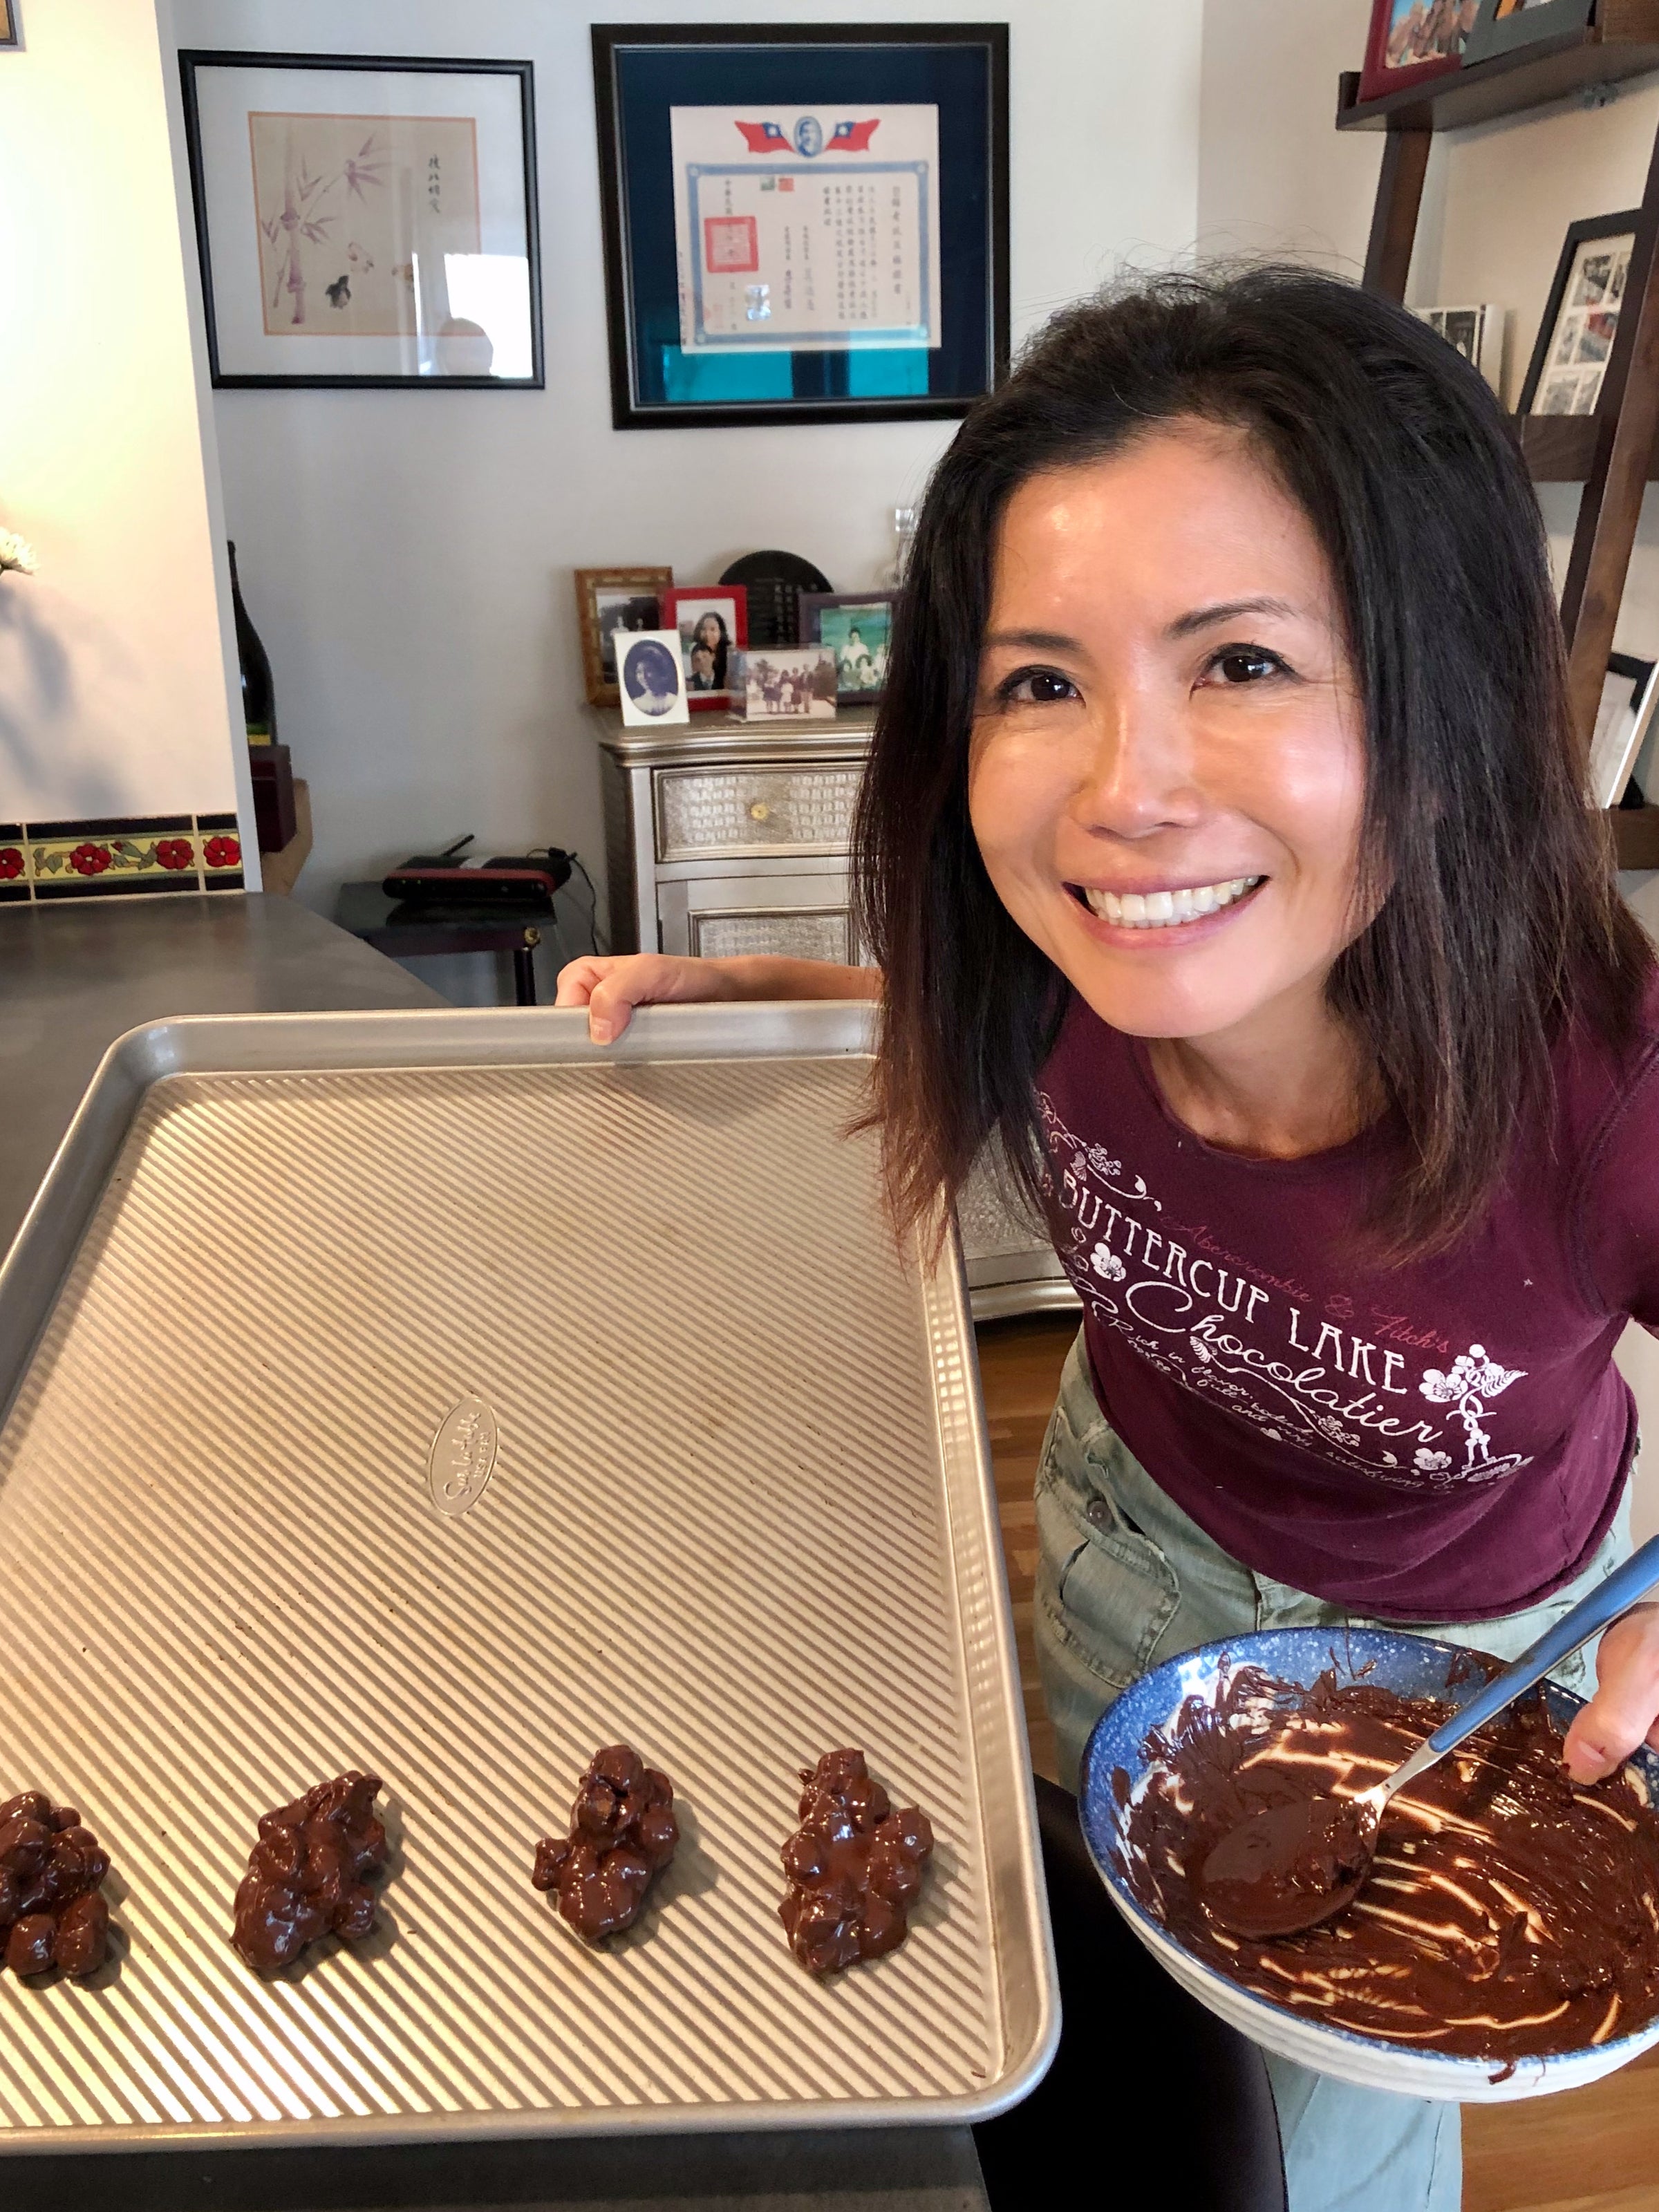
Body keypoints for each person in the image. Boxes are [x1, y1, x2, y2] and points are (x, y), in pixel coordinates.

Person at [556, 267, 1659, 2212]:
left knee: (1324, 2154)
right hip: (1122, 1541)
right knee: (1113, 2036)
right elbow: (1009, 988)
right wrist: (774, 984)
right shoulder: (1066, 966)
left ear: (1445, 690)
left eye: (1239, 664)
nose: (1123, 794)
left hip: (1449, 1667)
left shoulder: (1603, 1077)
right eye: (1041, 682)